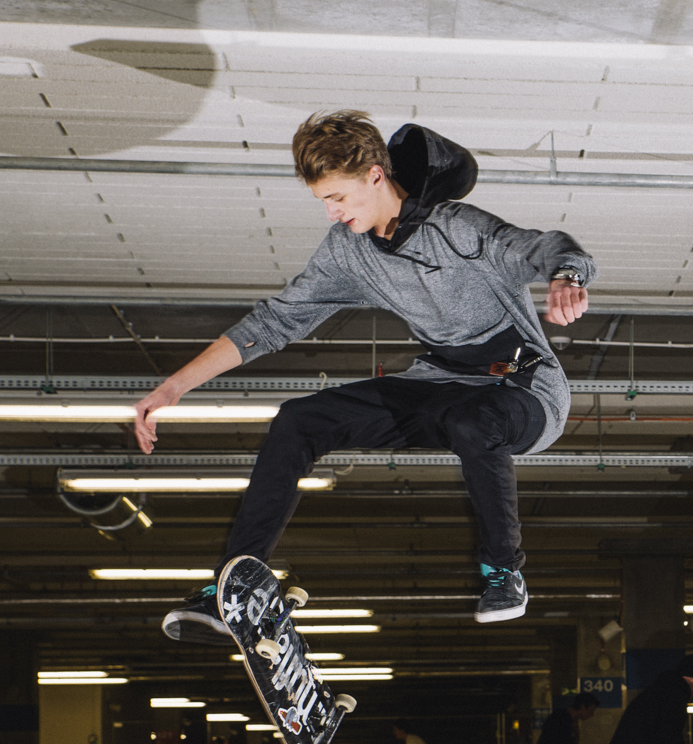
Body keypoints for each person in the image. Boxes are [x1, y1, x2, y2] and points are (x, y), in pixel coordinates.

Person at [145, 111, 595, 643]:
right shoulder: (348, 251)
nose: (333, 213)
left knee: (477, 423)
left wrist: (568, 276)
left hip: (523, 388)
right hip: (438, 385)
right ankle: (239, 589)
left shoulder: (457, 229)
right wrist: (175, 386)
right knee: (299, 420)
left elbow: (543, 246)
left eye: (338, 198)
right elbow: (276, 319)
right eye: (324, 202)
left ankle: (504, 571)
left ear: (375, 176)